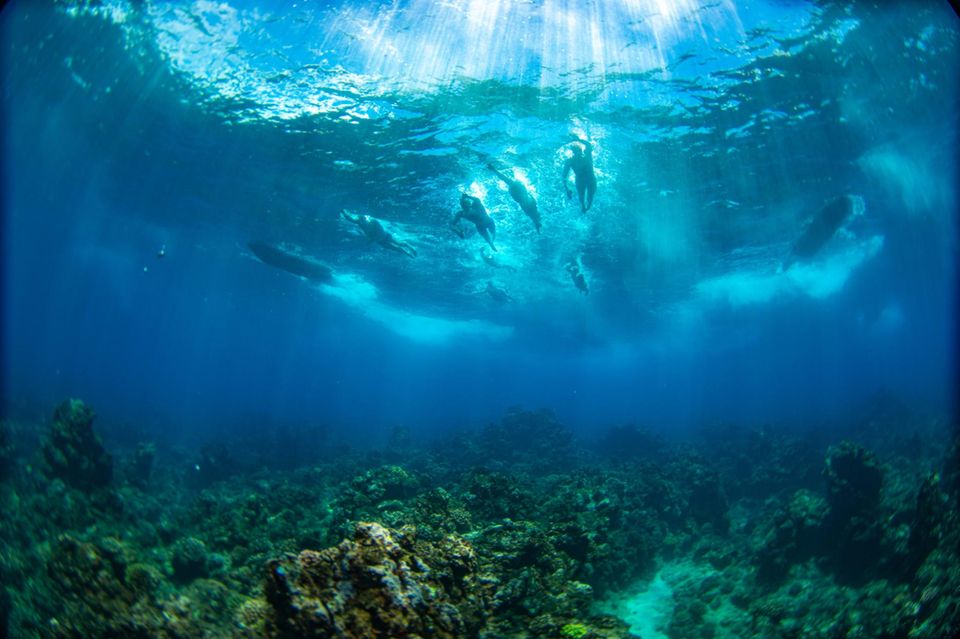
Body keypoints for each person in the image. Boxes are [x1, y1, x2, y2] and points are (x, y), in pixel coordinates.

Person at [487, 163, 541, 233]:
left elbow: (504, 178)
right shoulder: (519, 189)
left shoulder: (516, 187)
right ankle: (537, 224)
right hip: (527, 202)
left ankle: (537, 224)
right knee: (533, 215)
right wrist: (494, 170)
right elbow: (504, 178)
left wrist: (494, 170)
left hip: (527, 203)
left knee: (533, 215)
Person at [340, 209, 417, 258]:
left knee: (400, 243)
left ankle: (410, 247)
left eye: (360, 220)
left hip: (385, 236)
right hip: (380, 241)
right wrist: (345, 214)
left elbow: (379, 233)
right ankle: (407, 253)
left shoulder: (372, 222)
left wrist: (372, 240)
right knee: (396, 249)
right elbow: (351, 219)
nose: (358, 221)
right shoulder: (360, 223)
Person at [562, 136, 597, 213]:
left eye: (578, 151)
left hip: (588, 179)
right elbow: (564, 176)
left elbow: (588, 145)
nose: (578, 153)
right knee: (582, 198)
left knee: (589, 197)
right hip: (583, 180)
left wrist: (578, 139)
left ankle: (587, 208)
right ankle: (584, 208)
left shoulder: (587, 156)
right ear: (573, 152)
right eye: (575, 151)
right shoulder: (571, 160)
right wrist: (567, 189)